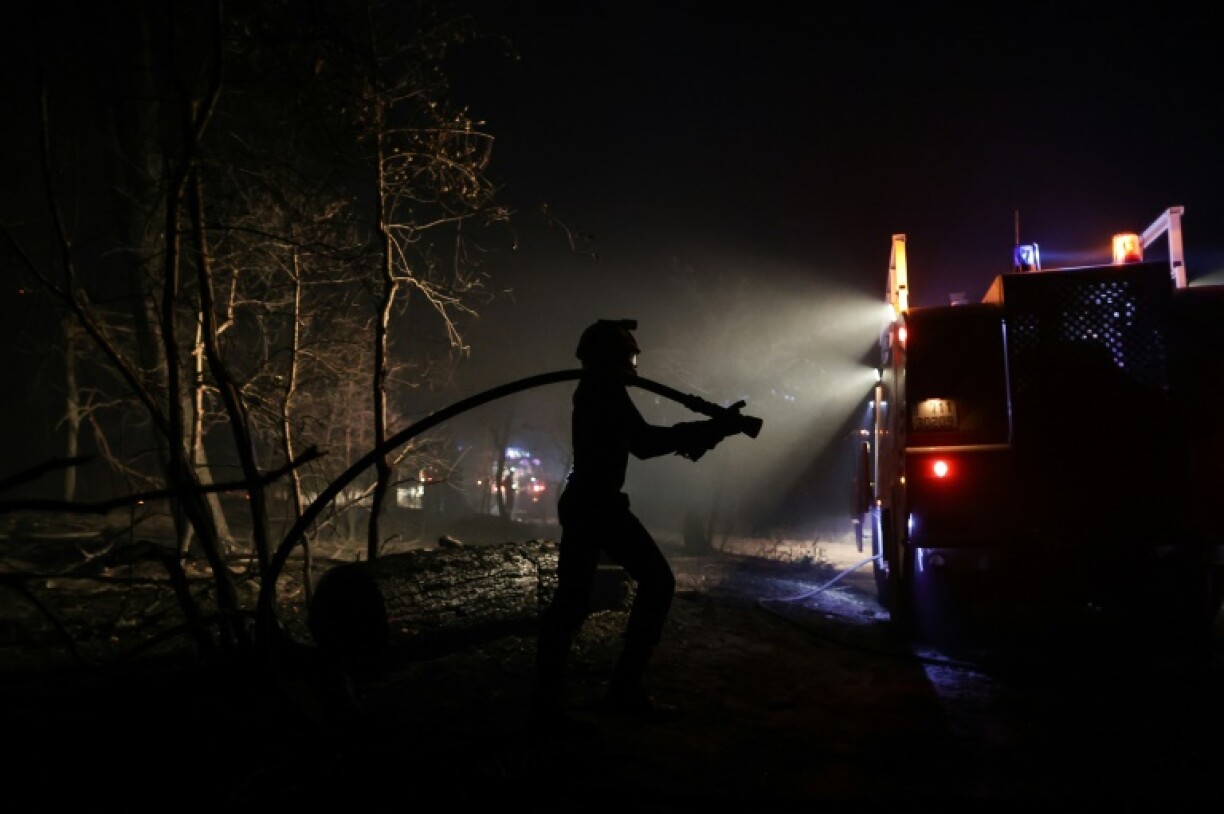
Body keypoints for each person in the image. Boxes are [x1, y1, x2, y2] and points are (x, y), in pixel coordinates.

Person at [530, 319, 746, 732]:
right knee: (650, 583)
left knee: (573, 601)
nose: (633, 367)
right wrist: (710, 428)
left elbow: (643, 442)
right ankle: (612, 692)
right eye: (628, 358)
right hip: (597, 505)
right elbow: (645, 444)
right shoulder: (602, 392)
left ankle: (556, 703)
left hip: (592, 503)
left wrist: (709, 429)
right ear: (609, 358)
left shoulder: (600, 389)